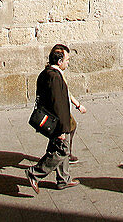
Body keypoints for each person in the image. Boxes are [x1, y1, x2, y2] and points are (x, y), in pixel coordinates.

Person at [25, 44, 80, 193]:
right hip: (58, 121)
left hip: (55, 119)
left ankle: (63, 179)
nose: (68, 63)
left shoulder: (47, 72)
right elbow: (59, 105)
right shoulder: (55, 77)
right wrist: (61, 129)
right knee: (62, 150)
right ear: (60, 61)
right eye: (67, 60)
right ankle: (34, 173)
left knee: (60, 147)